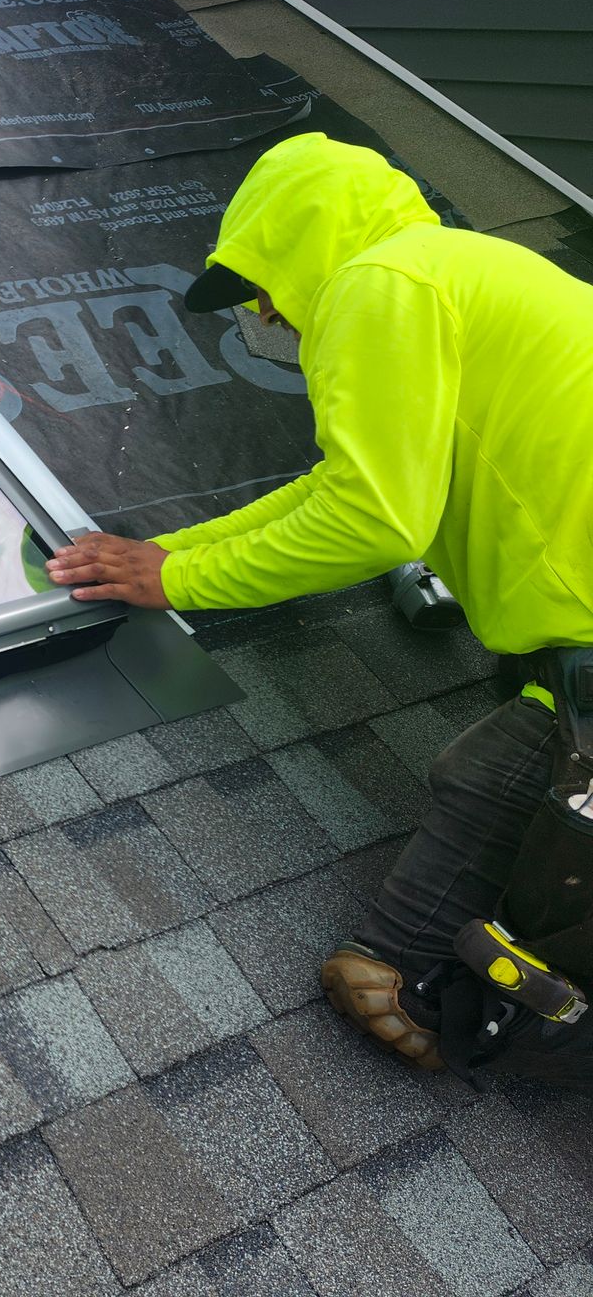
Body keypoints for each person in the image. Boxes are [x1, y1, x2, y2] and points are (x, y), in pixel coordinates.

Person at [46, 132, 593, 1082]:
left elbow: (370, 520)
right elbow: (338, 486)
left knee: (391, 962)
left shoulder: (380, 284)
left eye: (259, 290)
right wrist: (176, 551)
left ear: (302, 252)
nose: (261, 316)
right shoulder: (445, 270)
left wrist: (175, 584)